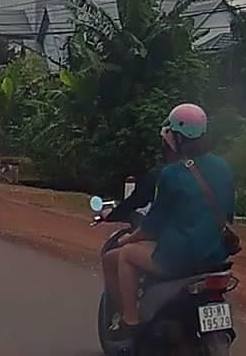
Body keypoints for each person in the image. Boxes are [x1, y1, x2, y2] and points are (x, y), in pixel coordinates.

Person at [100, 103, 235, 345]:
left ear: (176, 139)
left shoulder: (171, 174)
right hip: (216, 256)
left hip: (179, 259)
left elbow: (151, 227)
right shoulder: (222, 167)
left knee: (124, 255)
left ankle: (130, 322)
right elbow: (228, 215)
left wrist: (127, 239)